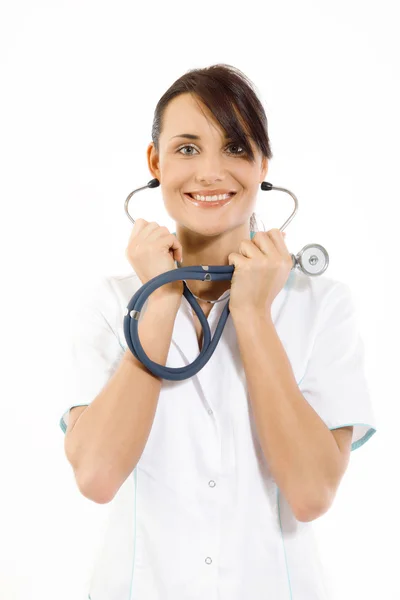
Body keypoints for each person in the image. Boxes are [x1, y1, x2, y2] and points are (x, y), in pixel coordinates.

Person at [59, 64, 377, 600]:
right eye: (186, 148)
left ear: (262, 164)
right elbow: (96, 477)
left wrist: (253, 315)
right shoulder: (112, 303)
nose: (210, 171)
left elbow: (311, 493)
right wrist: (159, 299)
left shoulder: (321, 304)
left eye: (235, 147)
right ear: (154, 162)